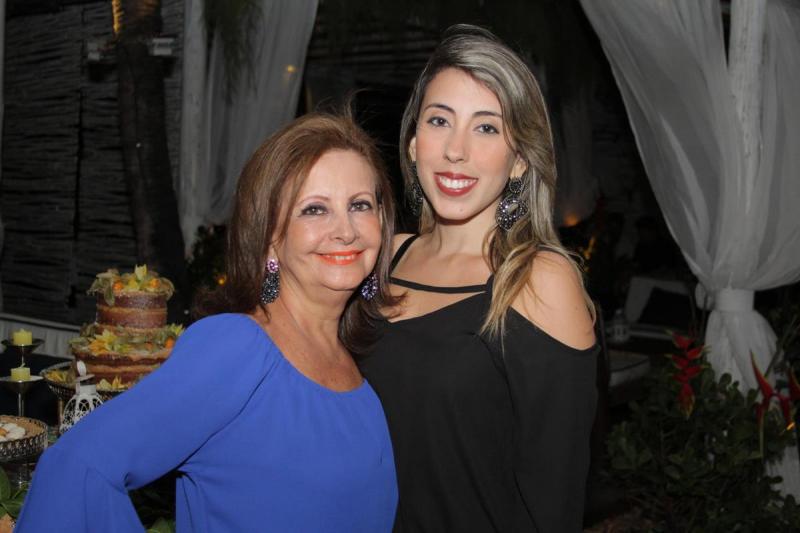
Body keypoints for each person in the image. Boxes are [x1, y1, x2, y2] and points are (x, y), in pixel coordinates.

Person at [16, 113, 399, 532]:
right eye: (314, 209)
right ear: (271, 237)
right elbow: (75, 467)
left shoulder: (358, 370)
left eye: (360, 205)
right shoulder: (237, 348)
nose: (345, 230)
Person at [358, 25, 598, 532]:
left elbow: (553, 498)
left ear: (520, 160)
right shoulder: (384, 257)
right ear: (413, 143)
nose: (456, 150)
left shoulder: (538, 279)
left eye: (486, 128)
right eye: (440, 120)